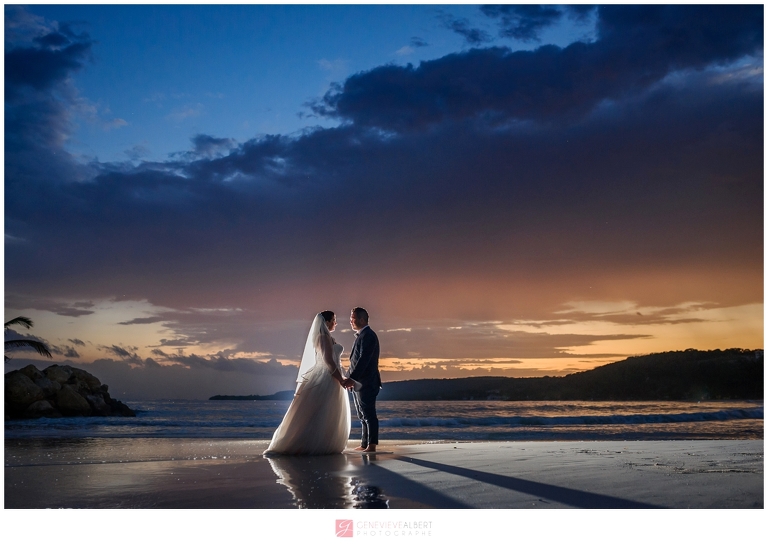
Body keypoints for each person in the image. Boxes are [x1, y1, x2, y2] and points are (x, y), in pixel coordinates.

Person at [264, 311, 351, 455]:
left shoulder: (327, 337)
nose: (335, 323)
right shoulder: (323, 337)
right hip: (327, 377)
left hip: (332, 376)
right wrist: (340, 379)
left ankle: (325, 441)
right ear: (327, 322)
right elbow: (328, 362)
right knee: (320, 412)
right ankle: (311, 443)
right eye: (333, 320)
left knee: (326, 412)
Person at [343, 307, 381, 453]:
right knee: (361, 415)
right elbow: (354, 361)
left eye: (352, 318)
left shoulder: (369, 336)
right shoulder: (361, 335)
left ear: (361, 319)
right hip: (358, 383)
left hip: (367, 382)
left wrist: (352, 378)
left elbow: (363, 360)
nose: (350, 321)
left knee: (369, 414)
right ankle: (364, 444)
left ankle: (372, 445)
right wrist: (347, 377)